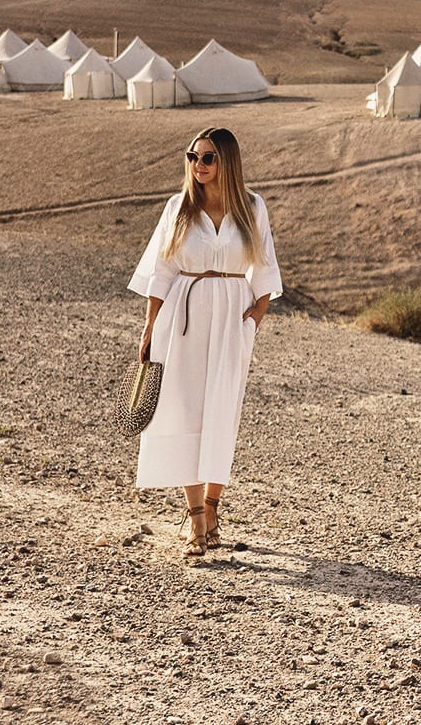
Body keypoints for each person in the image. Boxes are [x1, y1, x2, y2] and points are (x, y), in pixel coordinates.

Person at [129, 125, 280, 558]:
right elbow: (161, 272)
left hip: (233, 319)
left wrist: (256, 315)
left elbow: (265, 264)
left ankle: (213, 509)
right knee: (184, 413)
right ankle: (196, 519)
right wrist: (148, 327)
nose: (198, 165)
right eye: (193, 157)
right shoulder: (179, 207)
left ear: (226, 162)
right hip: (182, 318)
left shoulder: (252, 207)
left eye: (208, 158)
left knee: (221, 413)